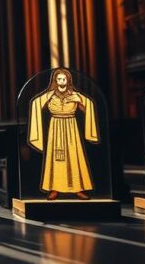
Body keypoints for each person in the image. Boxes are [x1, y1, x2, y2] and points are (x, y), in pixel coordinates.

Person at [27, 68, 98, 200]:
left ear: (68, 80)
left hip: (71, 128)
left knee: (75, 157)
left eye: (64, 79)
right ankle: (54, 188)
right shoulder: (50, 96)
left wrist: (81, 100)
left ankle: (78, 188)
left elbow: (88, 107)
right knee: (55, 158)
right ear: (55, 81)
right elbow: (36, 104)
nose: (61, 81)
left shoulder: (74, 95)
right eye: (59, 79)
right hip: (55, 129)